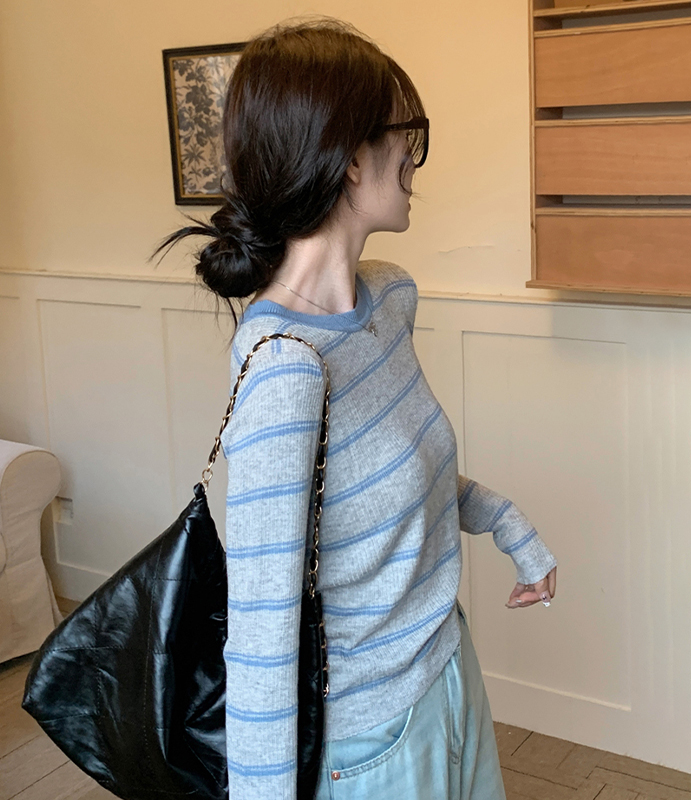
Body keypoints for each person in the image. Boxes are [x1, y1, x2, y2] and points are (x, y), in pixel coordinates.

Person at [155, 15, 557, 799]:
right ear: (347, 158)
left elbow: (403, 479)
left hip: (447, 673)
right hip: (372, 743)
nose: (412, 155)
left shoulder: (388, 300)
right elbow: (262, 638)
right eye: (406, 133)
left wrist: (513, 530)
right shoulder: (286, 374)